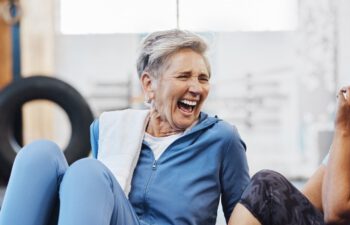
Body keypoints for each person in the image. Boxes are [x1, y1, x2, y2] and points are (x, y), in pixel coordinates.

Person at [0, 29, 250, 225]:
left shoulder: (222, 139)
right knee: (40, 154)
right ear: (149, 84)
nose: (196, 88)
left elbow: (244, 218)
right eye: (184, 76)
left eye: (203, 78)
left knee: (88, 171)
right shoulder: (109, 129)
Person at [228, 29, 350, 225]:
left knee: (267, 187)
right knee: (268, 192)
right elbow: (306, 202)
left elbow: (337, 213)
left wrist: (343, 128)